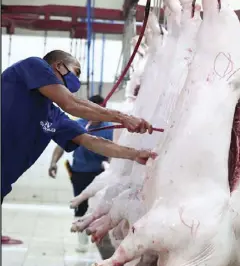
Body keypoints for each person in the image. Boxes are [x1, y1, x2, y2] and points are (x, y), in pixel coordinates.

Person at [1, 50, 156, 245]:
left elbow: (91, 141)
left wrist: (135, 154)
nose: (78, 80)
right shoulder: (34, 66)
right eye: (77, 71)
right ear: (58, 66)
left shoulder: (53, 115)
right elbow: (71, 103)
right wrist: (123, 117)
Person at [48, 94, 113, 252]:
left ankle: (96, 236)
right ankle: (82, 242)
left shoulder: (110, 128)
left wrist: (112, 170)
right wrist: (53, 162)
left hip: (101, 172)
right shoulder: (78, 125)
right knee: (81, 205)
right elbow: (61, 146)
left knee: (103, 206)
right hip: (80, 173)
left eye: (100, 108)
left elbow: (112, 151)